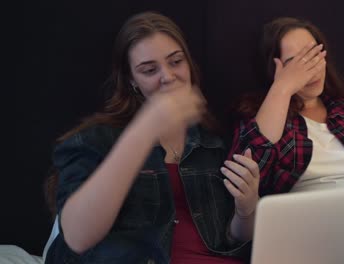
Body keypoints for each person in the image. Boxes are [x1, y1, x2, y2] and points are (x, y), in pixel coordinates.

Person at [44, 11, 258, 264]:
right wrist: (145, 129)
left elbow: (231, 239)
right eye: (149, 70)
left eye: (176, 61)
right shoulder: (96, 140)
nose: (168, 76)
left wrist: (247, 210)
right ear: (132, 81)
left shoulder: (211, 143)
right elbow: (77, 238)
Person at [229, 17, 344, 196]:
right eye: (295, 63)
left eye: (315, 55)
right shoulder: (258, 115)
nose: (311, 69)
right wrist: (282, 89)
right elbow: (241, 181)